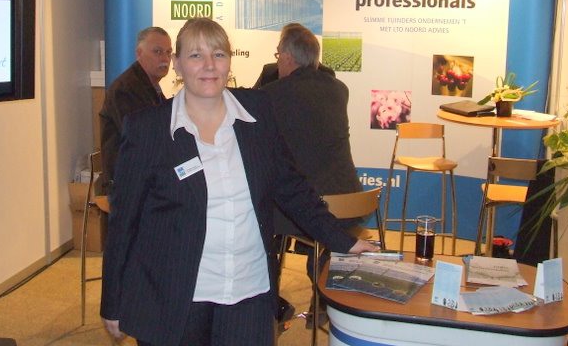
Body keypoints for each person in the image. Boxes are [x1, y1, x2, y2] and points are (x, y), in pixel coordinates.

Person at [100, 18, 377, 346]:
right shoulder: (148, 128)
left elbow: (291, 187)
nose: (209, 65)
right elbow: (125, 220)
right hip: (175, 295)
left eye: (218, 54)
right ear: (177, 63)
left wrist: (342, 240)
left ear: (229, 61)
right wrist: (113, 301)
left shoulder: (256, 112)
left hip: (249, 292)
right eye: (196, 55)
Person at [261, 23, 364, 327]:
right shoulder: (339, 90)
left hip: (312, 209)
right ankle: (321, 303)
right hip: (351, 202)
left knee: (259, 220)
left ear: (288, 58)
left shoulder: (271, 95)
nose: (278, 62)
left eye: (278, 56)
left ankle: (270, 307)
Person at [98, 27, 172, 194]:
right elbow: (143, 139)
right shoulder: (126, 89)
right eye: (157, 51)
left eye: (168, 52)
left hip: (144, 180)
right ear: (139, 53)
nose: (165, 59)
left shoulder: (150, 86)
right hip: (129, 186)